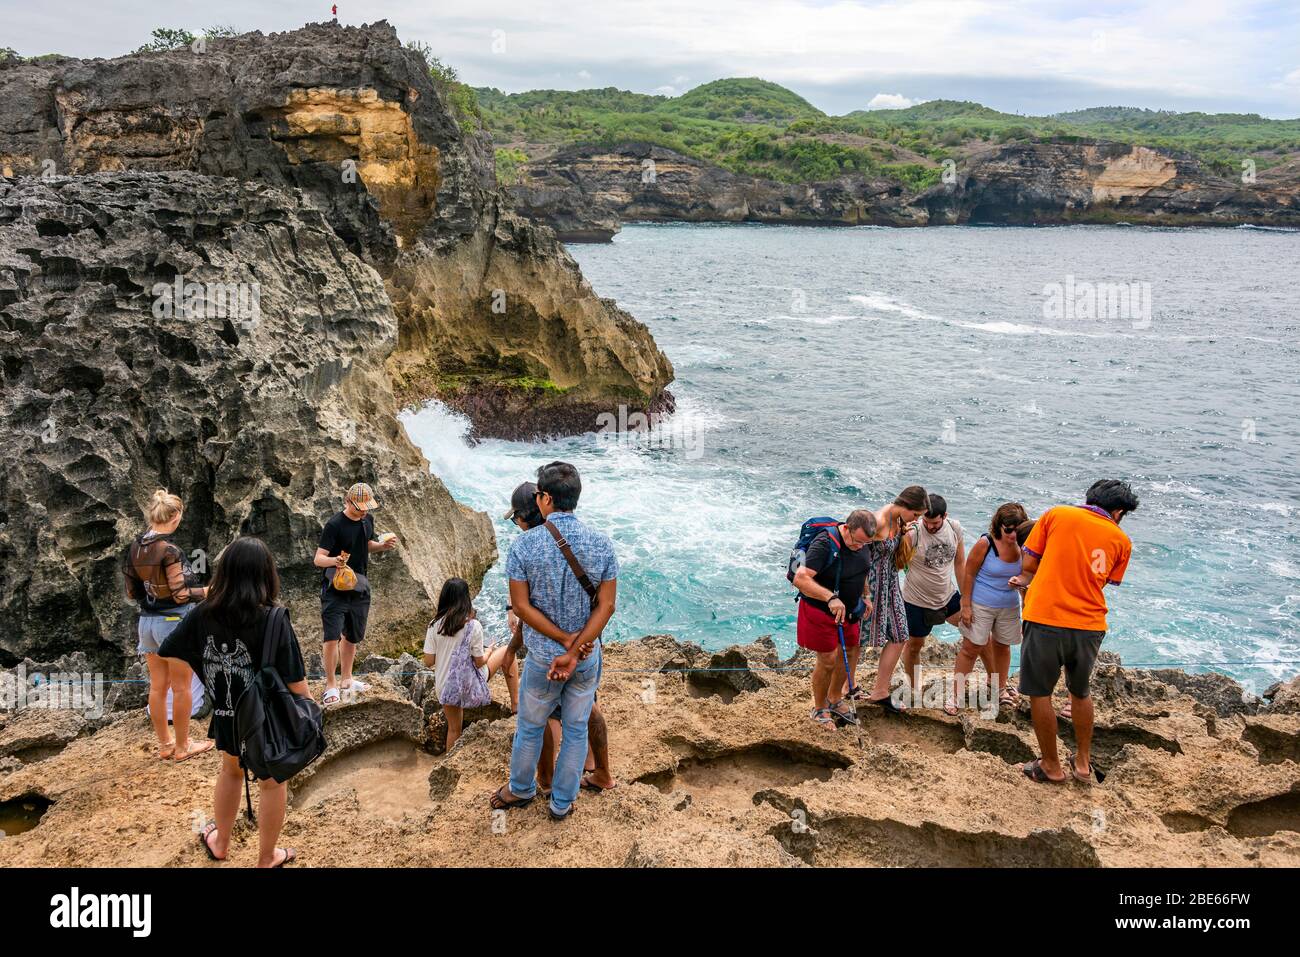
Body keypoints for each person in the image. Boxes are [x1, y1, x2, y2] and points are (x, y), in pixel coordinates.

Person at [159, 537, 307, 867]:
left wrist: (204, 672)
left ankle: (221, 842)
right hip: (266, 720)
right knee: (272, 783)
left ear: (223, 573)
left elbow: (169, 646)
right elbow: (296, 680)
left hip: (227, 713)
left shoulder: (203, 615)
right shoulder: (274, 619)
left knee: (230, 772)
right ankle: (267, 857)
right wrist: (308, 713)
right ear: (267, 575)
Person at [489, 462, 617, 821]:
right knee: (576, 729)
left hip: (545, 657)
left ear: (544, 498)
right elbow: (606, 606)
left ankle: (522, 789)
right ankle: (562, 802)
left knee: (530, 726)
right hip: (586, 657)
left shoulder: (524, 547)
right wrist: (576, 648)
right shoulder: (602, 544)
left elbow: (520, 606)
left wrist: (562, 641)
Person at [1014, 480, 1138, 784]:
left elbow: (1029, 561)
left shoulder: (1057, 515)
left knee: (1040, 694)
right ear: (1118, 511)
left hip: (1045, 617)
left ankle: (1051, 766)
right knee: (1080, 693)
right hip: (1089, 624)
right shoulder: (1122, 540)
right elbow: (1103, 580)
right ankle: (1082, 764)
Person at [123, 489, 212, 761]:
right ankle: (183, 747)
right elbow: (181, 594)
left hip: (146, 624)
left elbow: (132, 592)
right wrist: (209, 591)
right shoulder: (170, 550)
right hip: (173, 623)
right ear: (174, 516)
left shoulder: (136, 547)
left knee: (158, 686)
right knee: (181, 687)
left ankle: (165, 745)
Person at [312, 483, 397, 704]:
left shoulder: (367, 520)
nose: (364, 511)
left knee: (352, 635)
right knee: (332, 636)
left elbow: (365, 544)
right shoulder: (334, 525)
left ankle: (347, 679)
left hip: (359, 584)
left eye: (367, 507)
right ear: (348, 502)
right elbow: (318, 558)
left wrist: (382, 545)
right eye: (359, 507)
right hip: (334, 587)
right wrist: (335, 561)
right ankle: (331, 685)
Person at [792, 510, 877, 728]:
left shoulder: (863, 542)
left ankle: (835, 698)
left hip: (850, 611)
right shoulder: (825, 543)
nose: (860, 546)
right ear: (846, 528)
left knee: (851, 651)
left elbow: (863, 569)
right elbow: (801, 579)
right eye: (857, 542)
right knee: (828, 659)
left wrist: (865, 595)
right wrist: (830, 598)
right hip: (821, 610)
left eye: (865, 543)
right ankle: (819, 708)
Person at [950, 503, 1030, 715]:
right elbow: (969, 573)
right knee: (971, 647)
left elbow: (1029, 577)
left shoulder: (1025, 545)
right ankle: (956, 694)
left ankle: (998, 688)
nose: (1013, 534)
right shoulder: (986, 543)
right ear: (999, 526)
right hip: (981, 603)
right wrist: (965, 605)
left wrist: (1026, 607)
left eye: (1017, 529)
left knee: (1003, 647)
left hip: (1009, 606)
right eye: (1008, 529)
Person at [857, 485, 931, 712]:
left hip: (890, 584)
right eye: (916, 514)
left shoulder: (899, 521)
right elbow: (859, 558)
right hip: (870, 586)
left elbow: (899, 557)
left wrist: (905, 532)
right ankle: (843, 689)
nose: (917, 519)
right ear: (905, 505)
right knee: (857, 640)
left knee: (900, 634)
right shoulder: (878, 521)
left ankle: (880, 691)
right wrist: (865, 595)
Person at [422, 577, 519, 750]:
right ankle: (515, 705)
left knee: (454, 729)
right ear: (466, 598)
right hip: (468, 684)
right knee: (507, 650)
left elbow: (428, 662)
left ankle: (448, 765)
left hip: (445, 687)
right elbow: (480, 661)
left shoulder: (434, 625)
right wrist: (489, 650)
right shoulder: (473, 625)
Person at [900, 493, 965, 695]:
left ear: (945, 516)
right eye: (926, 522)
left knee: (976, 631)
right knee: (914, 646)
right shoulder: (914, 533)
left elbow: (960, 563)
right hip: (915, 600)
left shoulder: (954, 528)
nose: (930, 527)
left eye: (935, 523)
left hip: (946, 595)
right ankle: (914, 688)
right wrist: (901, 537)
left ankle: (994, 680)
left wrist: (967, 598)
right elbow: (897, 564)